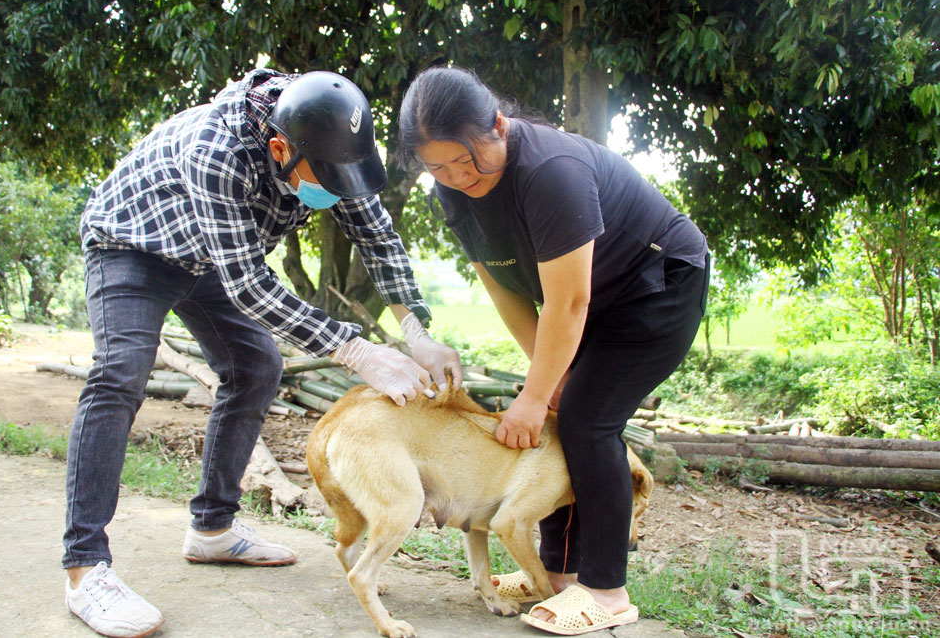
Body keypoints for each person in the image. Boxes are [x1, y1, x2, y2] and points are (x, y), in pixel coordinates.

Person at [64, 69, 463, 638]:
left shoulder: (327, 144)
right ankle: (86, 569)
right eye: (327, 179)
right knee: (120, 374)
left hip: (207, 261)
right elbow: (249, 285)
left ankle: (212, 529)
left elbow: (378, 236)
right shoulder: (216, 151)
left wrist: (416, 331)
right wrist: (357, 351)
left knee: (257, 366)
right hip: (133, 247)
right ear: (280, 149)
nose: (338, 189)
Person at [398, 66, 708, 635]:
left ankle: (607, 590)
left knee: (589, 419)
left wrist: (536, 397)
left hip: (658, 285)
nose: (457, 176)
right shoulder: (453, 188)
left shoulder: (549, 171)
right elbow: (504, 286)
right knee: (567, 410)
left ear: (497, 126)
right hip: (588, 299)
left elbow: (568, 303)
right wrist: (548, 382)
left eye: (467, 160)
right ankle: (561, 575)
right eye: (436, 166)